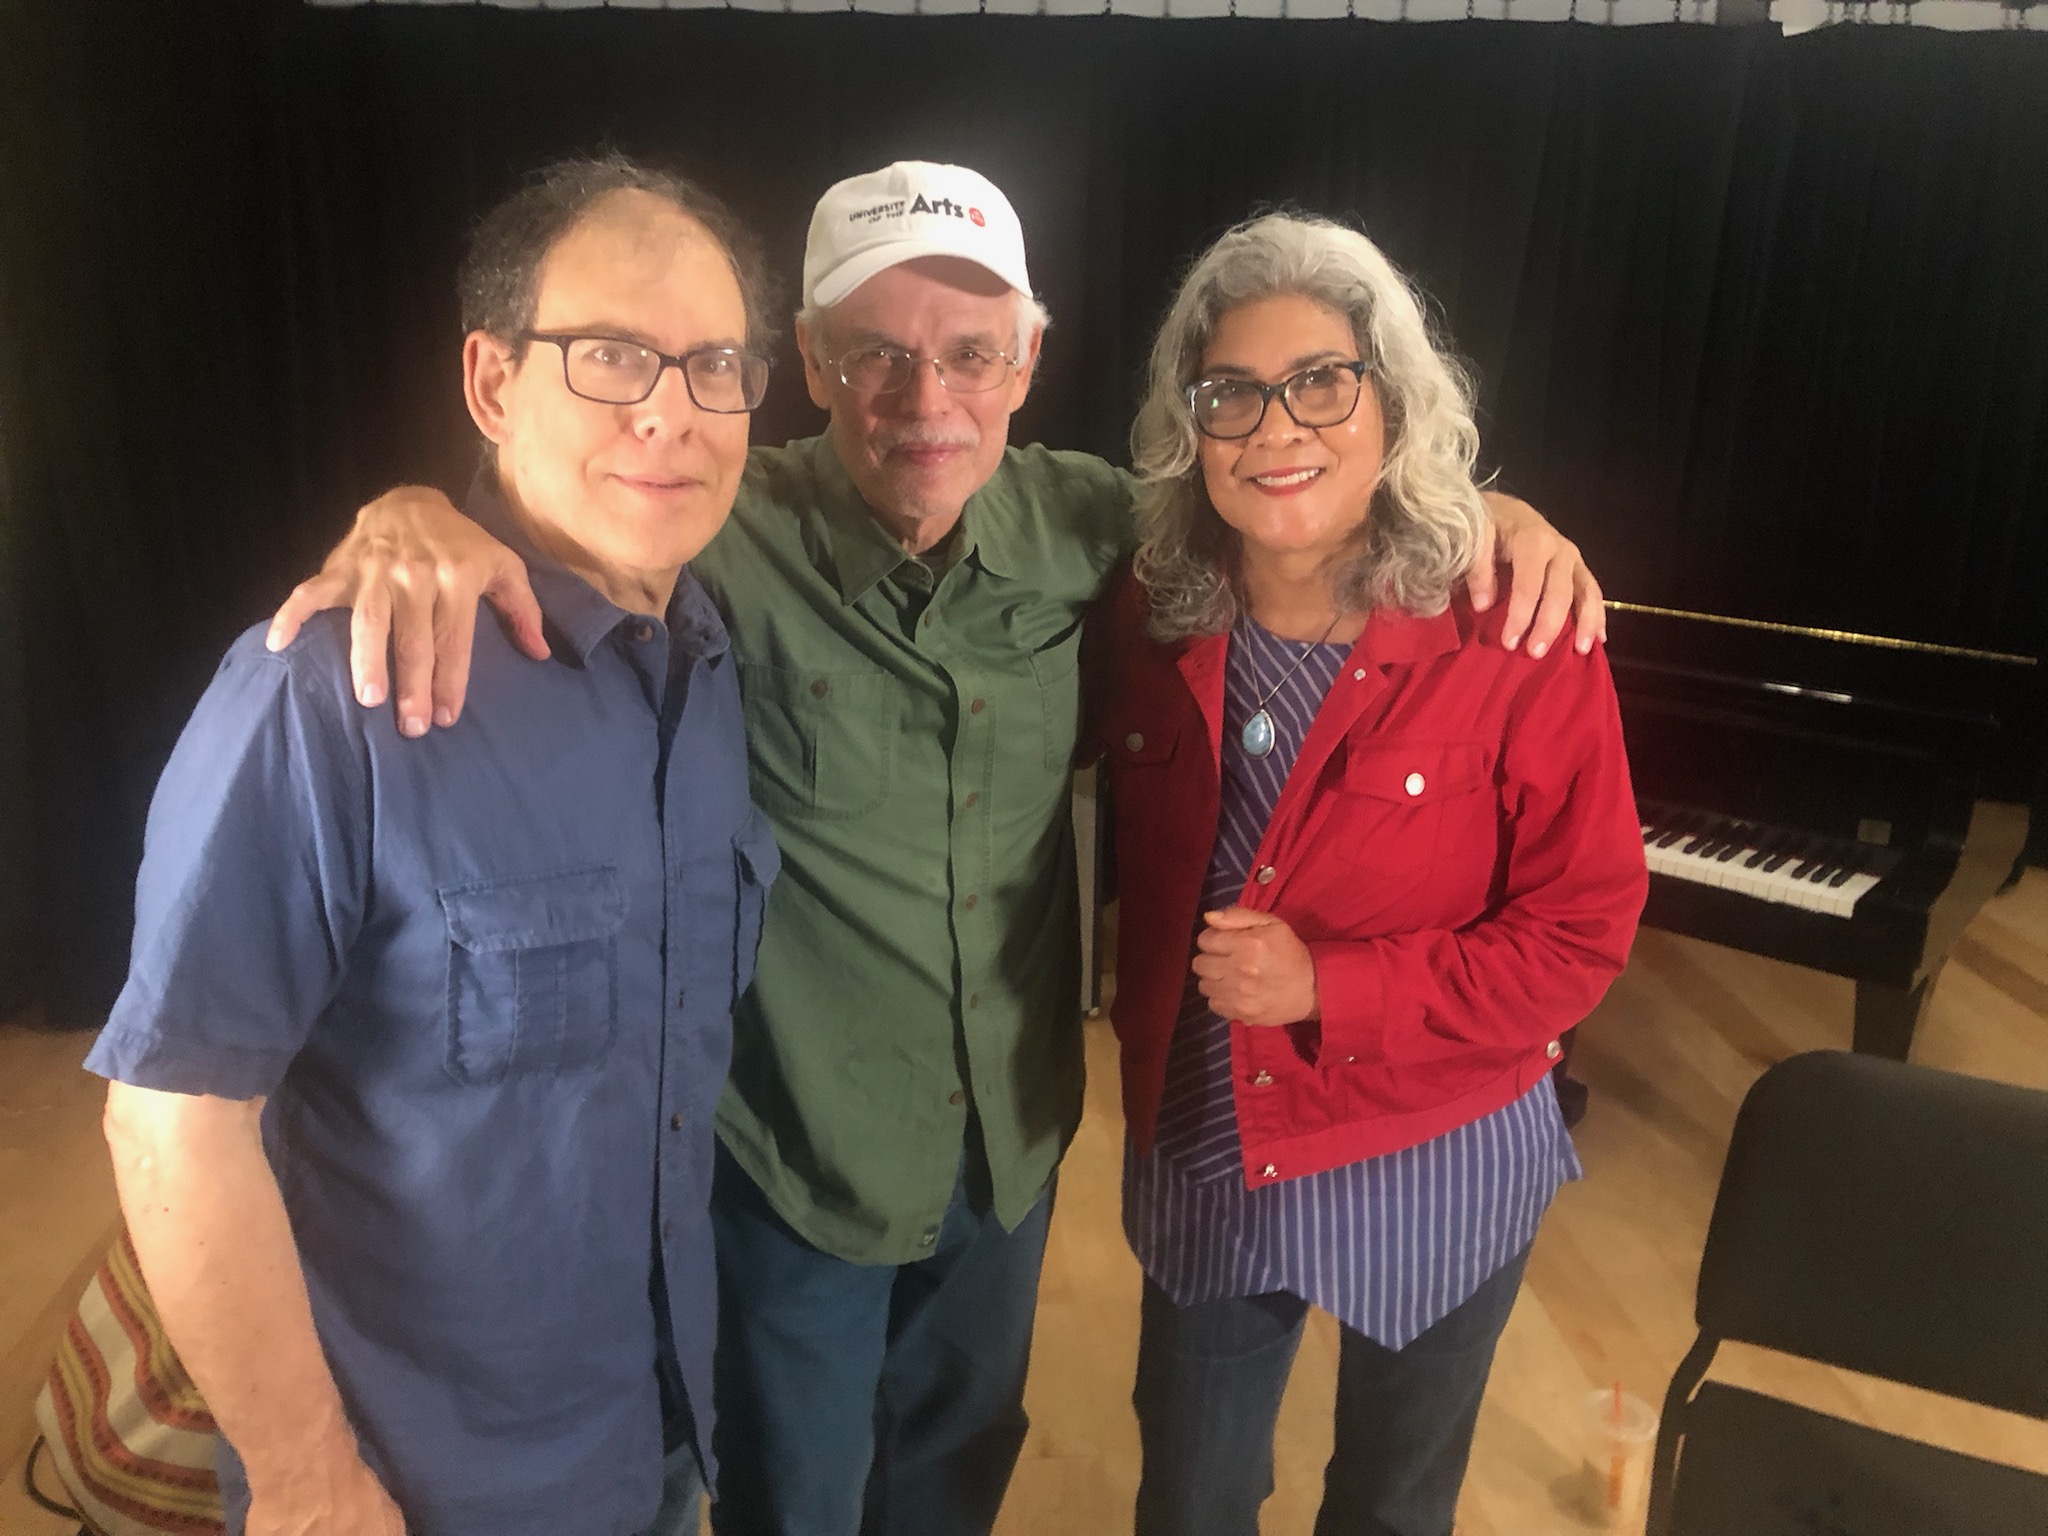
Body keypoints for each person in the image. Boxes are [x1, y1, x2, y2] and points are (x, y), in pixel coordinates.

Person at [266, 162, 1607, 1536]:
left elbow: (1299, 501)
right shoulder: (721, 525)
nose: (929, 402)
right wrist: (417, 510)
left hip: (1004, 1165)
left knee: (955, 1488)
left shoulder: (1097, 530)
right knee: (799, 1504)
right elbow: (567, 506)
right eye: (877, 357)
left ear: (1027, 359)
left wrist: (1492, 520)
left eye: (972, 354)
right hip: (803, 1168)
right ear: (810, 363)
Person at [88, 154, 779, 1536]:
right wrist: (304, 1478)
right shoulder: (326, 693)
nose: (671, 410)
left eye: (715, 364)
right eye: (610, 355)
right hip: (418, 1485)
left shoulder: (704, 669)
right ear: (491, 382)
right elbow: (172, 1118)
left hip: (653, 1428)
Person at [1094, 212, 1648, 1536]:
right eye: (1231, 393)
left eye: (1322, 383)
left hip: (1438, 1147)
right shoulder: (1145, 608)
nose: (1273, 427)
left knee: (1395, 1509)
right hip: (1212, 1139)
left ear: (1393, 405)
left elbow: (1581, 935)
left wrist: (1331, 988)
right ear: (1191, 425)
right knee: (1190, 1499)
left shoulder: (1515, 627)